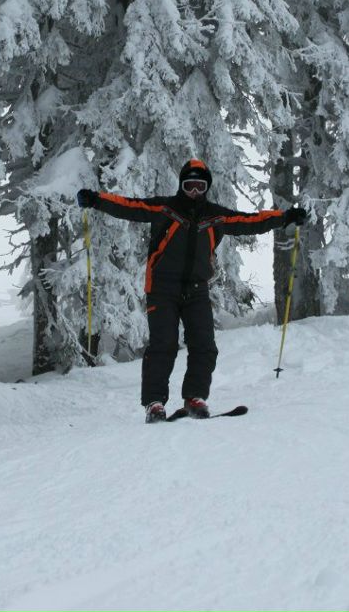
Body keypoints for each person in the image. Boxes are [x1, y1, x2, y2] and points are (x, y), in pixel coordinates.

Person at [77, 159, 308, 423]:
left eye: (200, 186)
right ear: (181, 186)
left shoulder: (215, 216)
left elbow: (250, 221)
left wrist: (286, 217)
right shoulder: (165, 208)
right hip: (162, 287)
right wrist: (96, 200)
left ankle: (194, 398)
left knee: (205, 346)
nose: (195, 191)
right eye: (190, 185)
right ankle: (154, 404)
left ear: (206, 187)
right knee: (163, 345)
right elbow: (129, 206)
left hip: (197, 288)